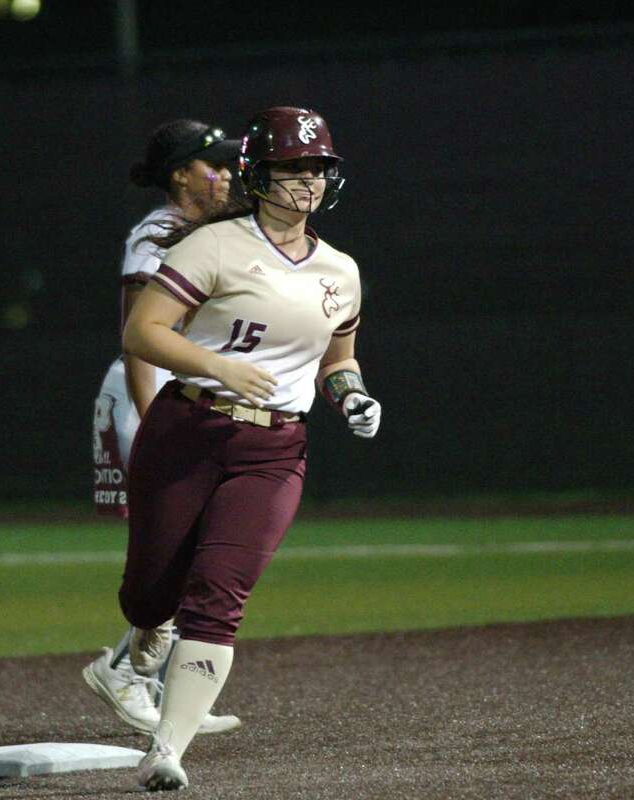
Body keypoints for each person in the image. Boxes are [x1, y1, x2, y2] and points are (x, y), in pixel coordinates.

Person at [119, 106, 382, 791]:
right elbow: (143, 332)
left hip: (274, 450)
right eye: (293, 167)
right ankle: (142, 636)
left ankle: (166, 750)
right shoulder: (211, 246)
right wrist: (219, 367)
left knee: (220, 595)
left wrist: (352, 396)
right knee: (149, 597)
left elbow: (338, 361)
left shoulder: (341, 270)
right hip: (187, 431)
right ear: (257, 173)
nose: (308, 180)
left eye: (319, 168)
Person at [85, 118, 245, 737]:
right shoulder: (157, 233)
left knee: (201, 550)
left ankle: (161, 688)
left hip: (179, 399)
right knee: (179, 550)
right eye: (212, 165)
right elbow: (138, 345)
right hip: (146, 397)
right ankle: (125, 672)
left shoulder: (209, 230)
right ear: (179, 175)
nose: (226, 173)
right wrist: (156, 425)